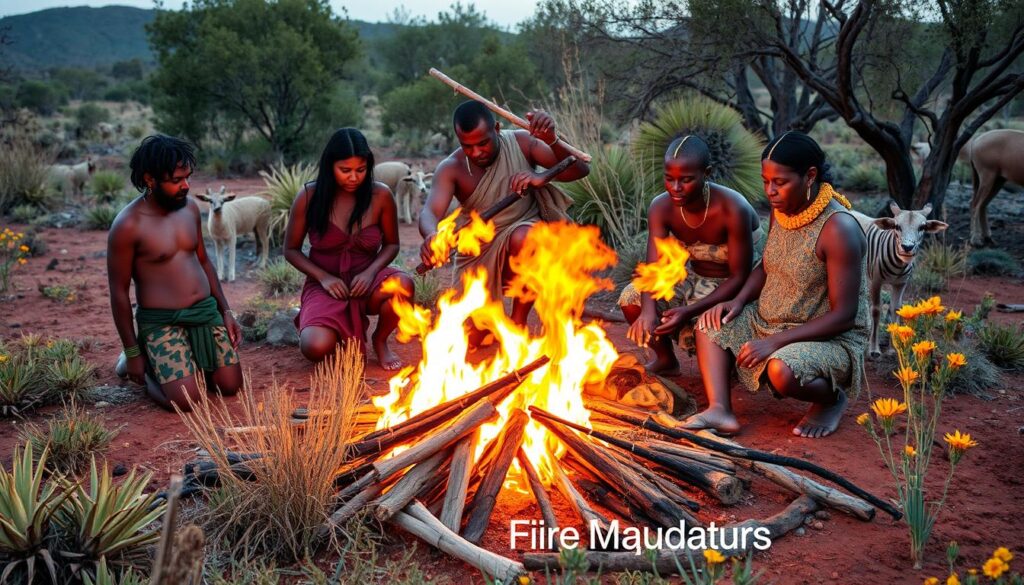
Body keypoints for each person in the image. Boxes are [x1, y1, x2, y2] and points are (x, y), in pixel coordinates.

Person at [689, 131, 868, 439]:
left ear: (809, 175)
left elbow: (844, 316)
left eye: (780, 182)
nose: (770, 191)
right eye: (765, 181)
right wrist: (738, 300)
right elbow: (768, 264)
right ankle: (720, 410)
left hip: (826, 337)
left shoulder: (838, 228)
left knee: (781, 371)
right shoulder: (782, 209)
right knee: (709, 324)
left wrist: (775, 343)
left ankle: (831, 399)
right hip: (768, 319)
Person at [418, 100, 590, 326]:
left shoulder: (523, 142)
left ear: (497, 129)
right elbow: (430, 212)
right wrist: (432, 235)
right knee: (475, 336)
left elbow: (580, 169)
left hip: (524, 234)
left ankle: (518, 322)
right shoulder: (451, 167)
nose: (476, 152)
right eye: (467, 146)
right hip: (478, 252)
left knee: (526, 237)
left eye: (483, 143)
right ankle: (488, 323)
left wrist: (548, 155)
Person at [108, 134, 243, 412]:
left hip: (205, 313)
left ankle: (186, 362)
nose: (186, 186)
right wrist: (133, 352)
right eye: (176, 180)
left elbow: (204, 262)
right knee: (185, 401)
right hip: (163, 322)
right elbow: (119, 293)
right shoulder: (128, 225)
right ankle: (143, 364)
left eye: (188, 177)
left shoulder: (190, 208)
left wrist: (226, 312)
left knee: (229, 386)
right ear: (149, 179)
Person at [620, 135, 762, 375]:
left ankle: (726, 367)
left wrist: (689, 311)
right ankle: (666, 360)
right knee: (632, 297)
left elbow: (740, 276)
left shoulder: (732, 207)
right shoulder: (661, 207)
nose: (675, 188)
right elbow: (653, 268)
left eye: (686, 180)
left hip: (736, 289)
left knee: (710, 328)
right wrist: (647, 312)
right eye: (669, 179)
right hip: (693, 278)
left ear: (706, 173)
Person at [284, 128, 413, 370]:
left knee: (404, 285)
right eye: (345, 170)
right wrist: (323, 278)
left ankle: (380, 340)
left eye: (360, 170)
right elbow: (290, 249)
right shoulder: (309, 196)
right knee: (314, 347)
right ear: (330, 166)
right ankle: (340, 335)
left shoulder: (381, 195)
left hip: (367, 281)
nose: (353, 178)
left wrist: (371, 272)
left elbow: (392, 244)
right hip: (326, 284)